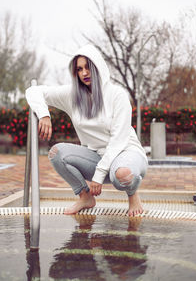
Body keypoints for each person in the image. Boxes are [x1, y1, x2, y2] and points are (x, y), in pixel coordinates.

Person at [26, 44, 148, 216]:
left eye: (88, 67)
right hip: (96, 156)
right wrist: (44, 114)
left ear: (97, 67)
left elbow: (118, 141)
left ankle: (132, 194)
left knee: (123, 174)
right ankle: (85, 197)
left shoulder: (117, 95)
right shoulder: (72, 95)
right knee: (57, 153)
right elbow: (33, 91)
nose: (84, 73)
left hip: (126, 153)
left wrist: (98, 176)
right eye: (79, 69)